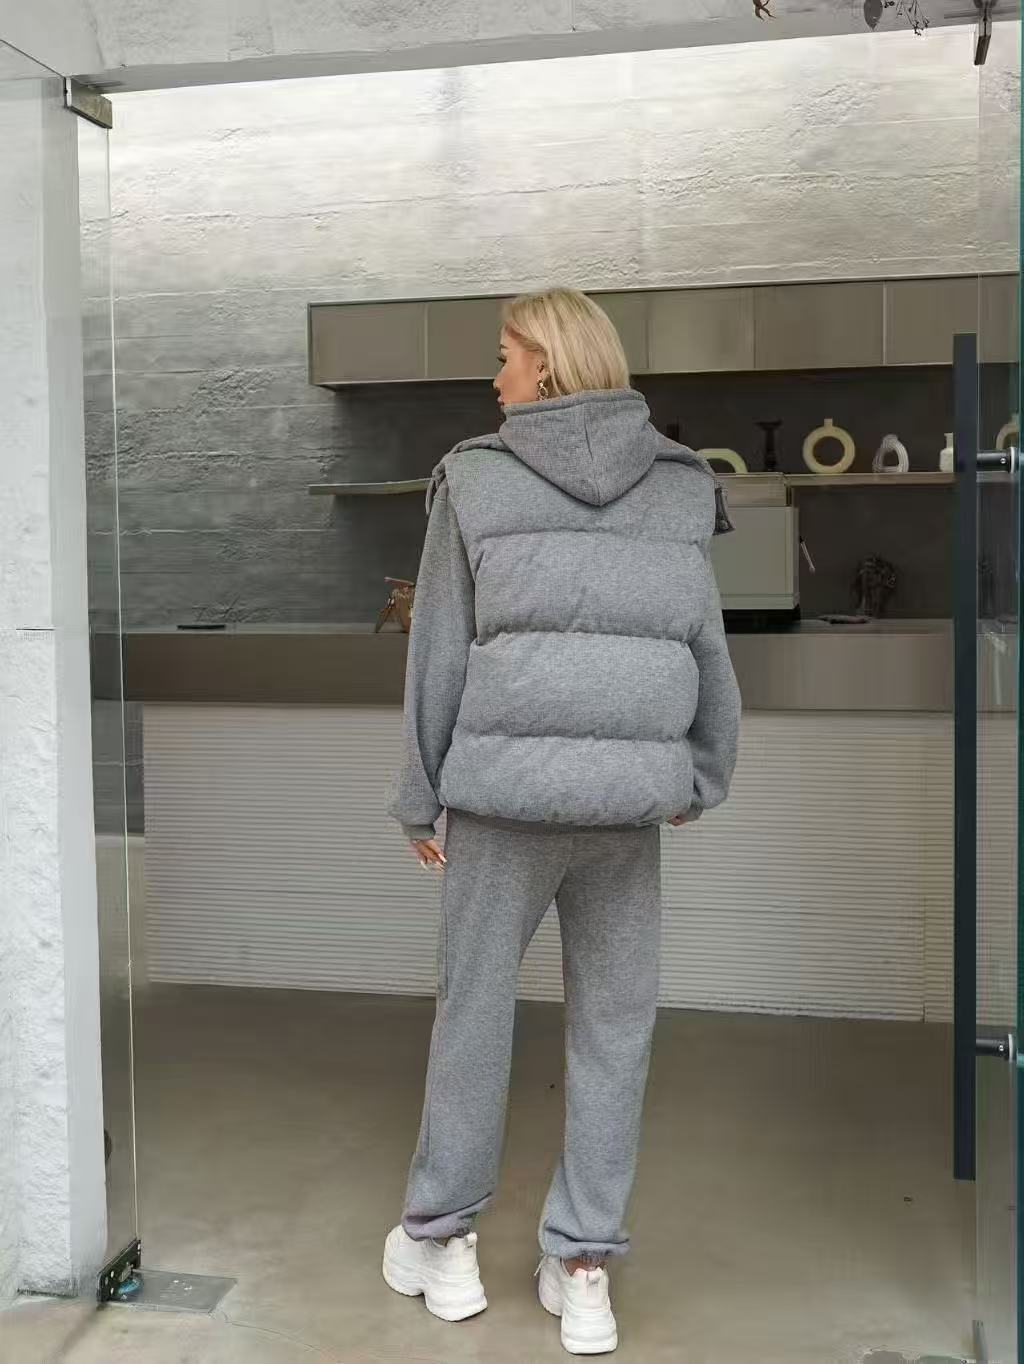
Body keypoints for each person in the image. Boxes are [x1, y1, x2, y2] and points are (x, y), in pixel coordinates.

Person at [382, 287, 741, 1355]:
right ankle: (584, 1266)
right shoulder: (681, 483)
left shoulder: (475, 477)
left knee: (474, 1013)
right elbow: (704, 644)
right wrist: (700, 772)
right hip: (625, 811)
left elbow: (438, 650)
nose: (494, 377)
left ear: (543, 362)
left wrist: (418, 792)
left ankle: (444, 1241)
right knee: (614, 1027)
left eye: (504, 355)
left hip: (503, 805)